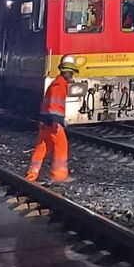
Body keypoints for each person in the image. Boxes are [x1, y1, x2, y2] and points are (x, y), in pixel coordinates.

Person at [25, 55, 78, 183]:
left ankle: (32, 174)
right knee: (61, 146)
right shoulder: (59, 85)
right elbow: (54, 105)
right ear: (66, 72)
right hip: (52, 122)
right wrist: (56, 121)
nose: (71, 76)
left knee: (42, 147)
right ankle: (58, 176)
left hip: (45, 121)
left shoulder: (57, 83)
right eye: (70, 73)